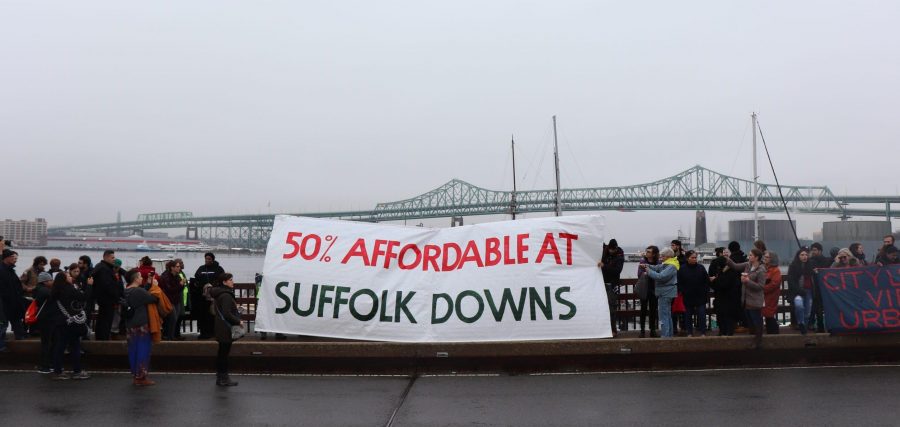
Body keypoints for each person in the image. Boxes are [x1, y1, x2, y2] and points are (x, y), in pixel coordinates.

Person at [51, 267, 90, 380]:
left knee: (60, 346)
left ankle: (58, 370)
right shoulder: (68, 289)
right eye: (68, 276)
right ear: (64, 279)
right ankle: (76, 371)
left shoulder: (57, 290)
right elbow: (84, 297)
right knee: (74, 346)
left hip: (61, 321)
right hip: (70, 322)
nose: (70, 277)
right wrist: (89, 285)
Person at [725, 248, 766, 349]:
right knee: (750, 322)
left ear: (757, 257)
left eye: (751, 255)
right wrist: (727, 259)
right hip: (746, 300)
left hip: (755, 300)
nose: (749, 256)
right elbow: (735, 266)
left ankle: (758, 343)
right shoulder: (748, 265)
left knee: (757, 322)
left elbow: (761, 286)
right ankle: (754, 341)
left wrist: (748, 281)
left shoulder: (761, 270)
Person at [123, 268, 158, 386]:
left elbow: (143, 293)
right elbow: (153, 298)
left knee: (133, 350)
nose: (141, 278)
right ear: (136, 278)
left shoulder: (126, 290)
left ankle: (135, 375)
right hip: (141, 325)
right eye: (140, 276)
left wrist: (148, 283)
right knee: (143, 350)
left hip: (130, 325)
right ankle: (141, 377)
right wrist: (155, 286)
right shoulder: (138, 291)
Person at [210, 273, 241, 386]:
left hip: (220, 327)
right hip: (226, 328)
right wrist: (238, 321)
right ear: (224, 282)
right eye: (230, 280)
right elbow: (227, 313)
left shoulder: (219, 294)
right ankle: (223, 378)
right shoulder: (227, 295)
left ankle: (220, 377)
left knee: (221, 353)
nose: (232, 282)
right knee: (224, 354)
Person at [643, 248, 679, 338]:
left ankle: (665, 336)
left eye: (662, 256)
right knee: (667, 315)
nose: (660, 258)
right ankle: (669, 335)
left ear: (668, 257)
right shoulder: (669, 264)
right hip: (666, 292)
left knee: (663, 316)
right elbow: (657, 267)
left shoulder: (671, 266)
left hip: (665, 293)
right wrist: (647, 265)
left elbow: (660, 276)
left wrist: (648, 271)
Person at [90, 250, 122, 340]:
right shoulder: (104, 269)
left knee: (103, 320)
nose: (114, 259)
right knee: (105, 321)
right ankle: (103, 339)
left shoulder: (101, 267)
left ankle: (101, 337)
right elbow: (107, 285)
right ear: (106, 257)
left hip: (103, 299)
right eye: (112, 258)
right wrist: (116, 295)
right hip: (107, 299)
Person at [677, 250, 709, 337]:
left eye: (695, 257)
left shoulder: (701, 267)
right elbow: (679, 282)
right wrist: (683, 291)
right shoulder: (682, 268)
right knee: (688, 316)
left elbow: (706, 281)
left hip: (700, 296)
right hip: (687, 296)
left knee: (702, 315)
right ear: (687, 258)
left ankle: (703, 332)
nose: (694, 259)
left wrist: (705, 291)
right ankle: (689, 332)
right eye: (692, 258)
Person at [708, 247, 740, 336]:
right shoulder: (732, 268)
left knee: (722, 314)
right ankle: (728, 332)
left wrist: (714, 281)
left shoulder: (718, 267)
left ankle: (723, 331)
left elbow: (719, 283)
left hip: (722, 296)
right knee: (728, 315)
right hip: (730, 296)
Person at [193, 253, 224, 339]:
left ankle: (214, 332)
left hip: (214, 297)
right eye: (206, 258)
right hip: (203, 297)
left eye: (209, 259)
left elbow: (222, 280)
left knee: (213, 315)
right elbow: (196, 278)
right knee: (203, 315)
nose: (207, 260)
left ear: (213, 259)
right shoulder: (201, 268)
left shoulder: (219, 269)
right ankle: (204, 332)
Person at [1, 249, 26, 346]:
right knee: (3, 324)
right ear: (7, 258)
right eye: (14, 258)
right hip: (6, 302)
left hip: (13, 301)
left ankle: (20, 336)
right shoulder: (3, 270)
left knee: (14, 320)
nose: (15, 260)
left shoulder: (9, 269)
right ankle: (2, 346)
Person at [599, 239, 624, 334]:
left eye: (612, 250)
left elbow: (617, 271)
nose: (610, 251)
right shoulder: (605, 250)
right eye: (609, 249)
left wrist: (604, 266)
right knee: (602, 307)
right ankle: (604, 329)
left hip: (612, 286)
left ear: (616, 248)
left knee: (612, 309)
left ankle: (613, 330)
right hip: (602, 284)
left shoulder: (620, 257)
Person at [32, 272, 56, 373]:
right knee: (47, 343)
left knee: (46, 343)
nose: (52, 282)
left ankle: (46, 365)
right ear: (45, 282)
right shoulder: (45, 291)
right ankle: (45, 366)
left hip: (43, 319)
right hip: (47, 320)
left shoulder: (38, 290)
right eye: (50, 280)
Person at [787, 248, 815, 335]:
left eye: (806, 255)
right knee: (799, 306)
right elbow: (791, 281)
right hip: (798, 292)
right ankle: (801, 323)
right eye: (802, 255)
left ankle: (804, 328)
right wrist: (799, 290)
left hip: (809, 291)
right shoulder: (793, 266)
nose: (804, 257)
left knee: (807, 312)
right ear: (798, 256)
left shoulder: (811, 266)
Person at [158, 260, 186, 340]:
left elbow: (179, 289)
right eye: (177, 266)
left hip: (176, 300)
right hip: (168, 301)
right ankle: (169, 336)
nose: (179, 268)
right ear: (172, 268)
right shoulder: (165, 276)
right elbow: (169, 290)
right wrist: (180, 284)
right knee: (172, 318)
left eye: (179, 266)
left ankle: (170, 335)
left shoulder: (177, 276)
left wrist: (181, 285)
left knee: (175, 318)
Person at [636, 246, 659, 338]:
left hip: (654, 289)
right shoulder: (642, 261)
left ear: (654, 254)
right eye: (647, 251)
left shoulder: (658, 262)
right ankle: (642, 331)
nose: (647, 253)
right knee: (643, 310)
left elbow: (659, 273)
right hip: (644, 288)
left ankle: (653, 330)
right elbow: (639, 274)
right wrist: (648, 273)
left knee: (653, 310)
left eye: (649, 251)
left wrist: (648, 272)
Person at [762, 251, 782, 335]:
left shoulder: (776, 270)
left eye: (767, 257)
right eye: (765, 257)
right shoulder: (764, 268)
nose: (765, 258)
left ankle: (774, 333)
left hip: (771, 296)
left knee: (769, 315)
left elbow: (774, 284)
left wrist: (762, 289)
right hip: (764, 296)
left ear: (772, 259)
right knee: (767, 315)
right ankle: (771, 333)